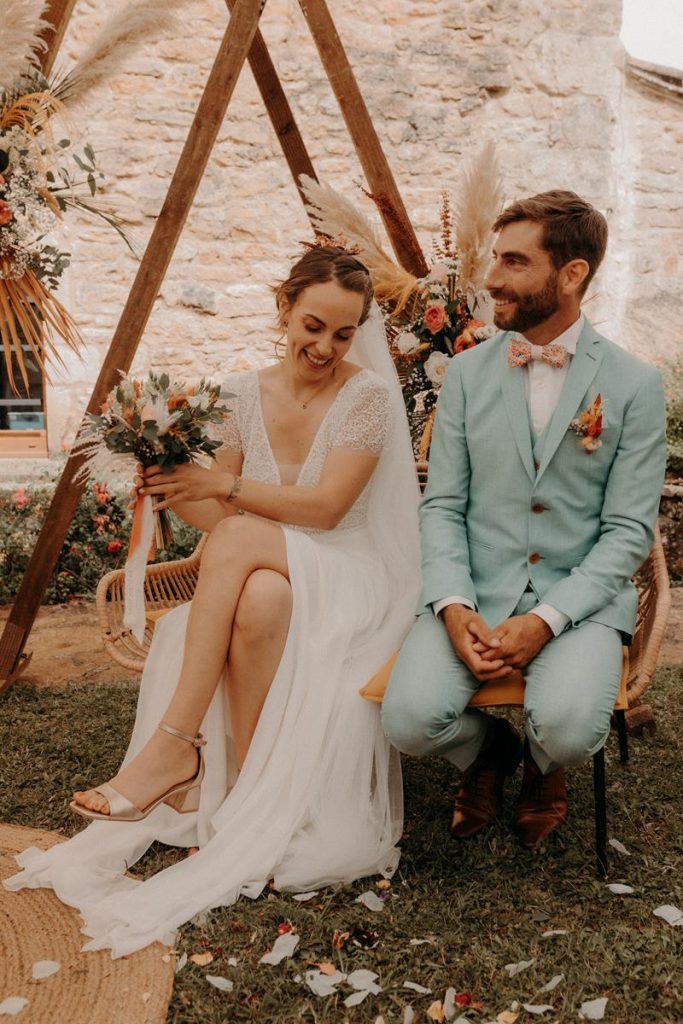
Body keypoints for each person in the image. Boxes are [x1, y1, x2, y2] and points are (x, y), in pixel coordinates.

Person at [5, 244, 421, 957]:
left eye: (343, 334)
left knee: (245, 554)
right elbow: (218, 520)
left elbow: (323, 510)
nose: (324, 346)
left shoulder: (368, 399)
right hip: (266, 571)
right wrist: (171, 483)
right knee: (257, 597)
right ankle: (244, 801)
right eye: (313, 325)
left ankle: (175, 748)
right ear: (284, 309)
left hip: (347, 574)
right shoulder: (237, 395)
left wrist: (220, 489)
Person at [382, 191, 666, 848]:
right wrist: (452, 604)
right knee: (407, 719)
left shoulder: (631, 385)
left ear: (570, 276)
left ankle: (544, 765)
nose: (491, 279)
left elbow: (627, 531)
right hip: (474, 590)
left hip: (577, 601)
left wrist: (546, 620)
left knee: (568, 727)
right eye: (494, 259)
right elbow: (443, 505)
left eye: (514, 262)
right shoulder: (465, 375)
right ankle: (490, 755)